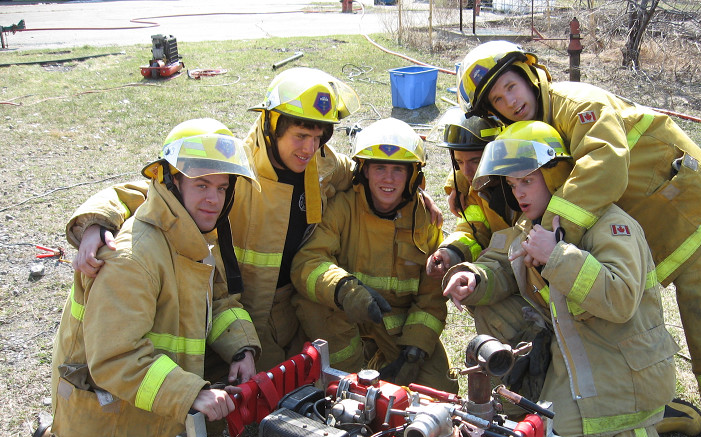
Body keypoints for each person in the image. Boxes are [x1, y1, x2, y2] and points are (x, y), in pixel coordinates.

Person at [455, 40, 701, 435]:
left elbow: (605, 166)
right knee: (619, 304)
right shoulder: (526, 127)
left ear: (528, 76)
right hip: (625, 217)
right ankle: (646, 400)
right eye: (497, 98)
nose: (510, 101)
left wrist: (554, 234)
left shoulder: (578, 104)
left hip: (677, 199)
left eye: (511, 86)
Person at [68, 68, 442, 375]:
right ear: (271, 126)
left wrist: (416, 196)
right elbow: (158, 188)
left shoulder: (324, 164)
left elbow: (371, 178)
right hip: (237, 307)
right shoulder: (235, 164)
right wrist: (97, 222)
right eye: (300, 136)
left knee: (302, 390)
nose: (309, 149)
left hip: (292, 307)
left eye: (317, 137)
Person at [28, 119, 263, 437]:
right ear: (172, 182)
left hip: (149, 392)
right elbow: (115, 359)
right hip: (109, 401)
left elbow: (219, 298)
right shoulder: (133, 257)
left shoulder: (192, 236)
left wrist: (241, 347)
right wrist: (191, 394)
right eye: (202, 185)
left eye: (222, 188)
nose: (214, 199)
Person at [442, 121, 701, 437]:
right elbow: (503, 262)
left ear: (555, 177)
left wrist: (557, 256)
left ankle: (648, 428)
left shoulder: (610, 224)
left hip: (622, 366)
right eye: (513, 184)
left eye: (527, 181)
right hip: (576, 353)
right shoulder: (533, 223)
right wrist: (474, 277)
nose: (519, 194)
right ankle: (528, 404)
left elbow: (621, 299)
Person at [291, 118, 458, 393]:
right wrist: (345, 290)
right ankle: (344, 381)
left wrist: (414, 350)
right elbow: (308, 262)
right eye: (379, 167)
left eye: (398, 169)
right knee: (316, 313)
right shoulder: (342, 207)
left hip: (399, 326)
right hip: (344, 317)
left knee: (440, 392)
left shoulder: (424, 219)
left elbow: (431, 297)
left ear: (413, 176)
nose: (388, 179)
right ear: (365, 170)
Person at [425, 107, 521, 279]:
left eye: (475, 161)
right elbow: (471, 230)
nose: (466, 172)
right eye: (459, 162)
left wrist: (499, 249)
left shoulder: (526, 186)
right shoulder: (474, 190)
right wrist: (451, 252)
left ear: (497, 154)